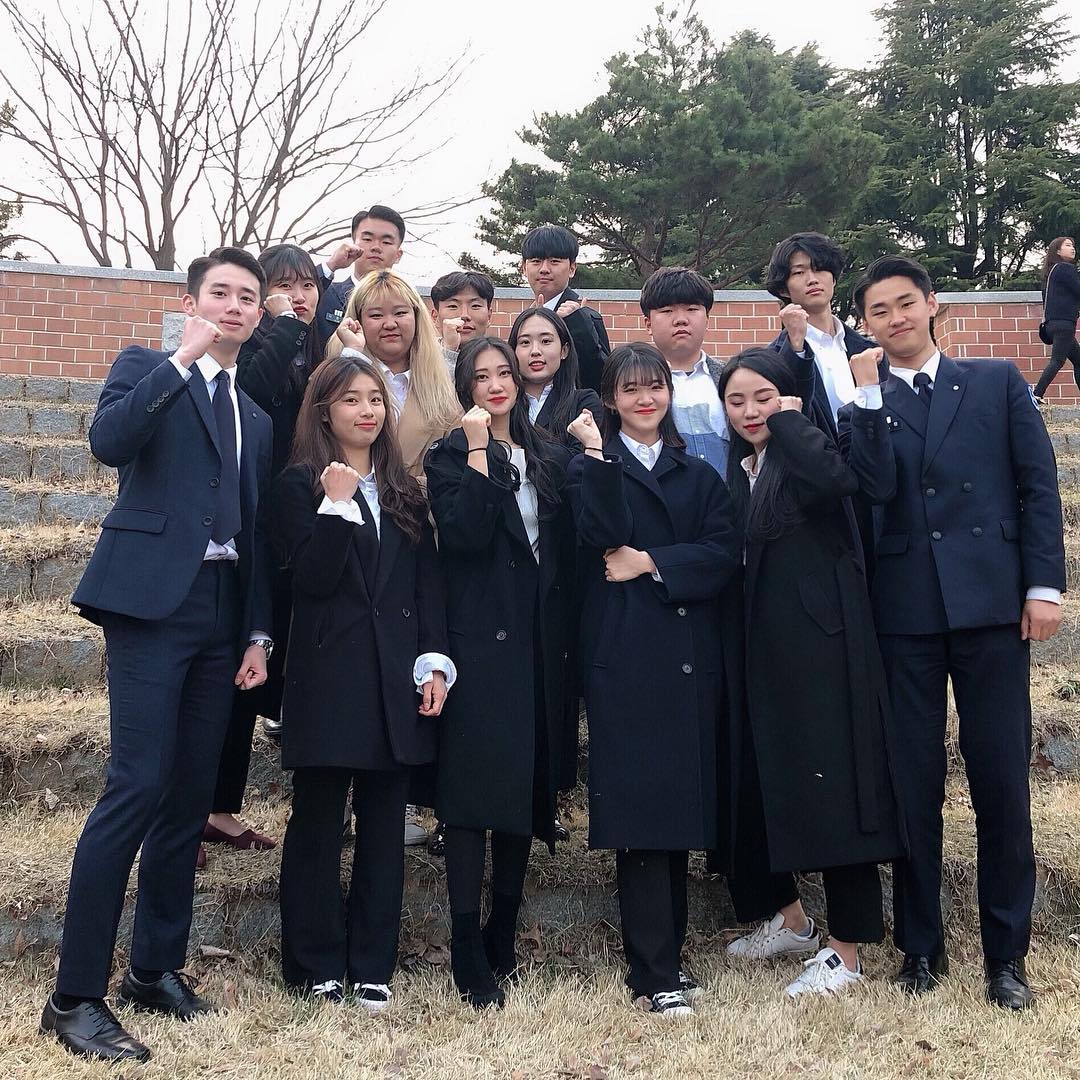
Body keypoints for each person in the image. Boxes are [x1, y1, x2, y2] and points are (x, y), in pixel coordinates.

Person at [39, 247, 275, 1063]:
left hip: (222, 611)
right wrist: (182, 359)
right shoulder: (147, 367)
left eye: (248, 298)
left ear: (260, 314)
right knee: (136, 787)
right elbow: (110, 443)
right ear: (191, 302)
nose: (235, 306)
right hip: (148, 605)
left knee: (188, 798)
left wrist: (257, 632)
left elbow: (255, 529)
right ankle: (74, 998)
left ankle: (153, 969)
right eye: (221, 293)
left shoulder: (256, 415)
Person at [841, 255, 1067, 1009]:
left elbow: (1037, 486)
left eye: (905, 303)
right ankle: (921, 948)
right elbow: (872, 489)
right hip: (902, 612)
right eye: (879, 311)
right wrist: (865, 398)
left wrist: (1043, 586)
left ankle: (1007, 956)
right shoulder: (862, 397)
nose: (896, 319)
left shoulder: (997, 381)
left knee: (1001, 780)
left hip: (991, 605)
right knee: (913, 785)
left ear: (932, 303)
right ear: (864, 324)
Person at [718, 347, 905, 998]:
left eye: (763, 397)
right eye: (736, 401)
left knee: (836, 795)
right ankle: (792, 921)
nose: (750, 412)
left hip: (824, 653)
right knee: (755, 785)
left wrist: (791, 420)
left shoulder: (805, 451)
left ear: (791, 399)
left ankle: (845, 953)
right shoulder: (741, 469)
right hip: (762, 655)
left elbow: (842, 481)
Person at [565, 343, 740, 1018]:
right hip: (622, 653)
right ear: (610, 399)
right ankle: (654, 970)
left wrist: (651, 562)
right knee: (641, 815)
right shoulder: (589, 467)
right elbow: (601, 532)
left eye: (655, 387)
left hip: (686, 652)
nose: (645, 399)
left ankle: (669, 959)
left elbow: (724, 552)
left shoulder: (698, 474)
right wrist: (598, 457)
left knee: (675, 812)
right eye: (630, 389)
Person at [273, 355, 453, 1009]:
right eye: (351, 399)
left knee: (383, 830)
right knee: (318, 825)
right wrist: (335, 504)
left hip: (393, 680)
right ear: (325, 412)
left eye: (375, 398)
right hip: (328, 677)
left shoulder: (404, 488)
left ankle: (373, 963)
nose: (367, 410)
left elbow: (425, 587)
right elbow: (311, 581)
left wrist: (434, 662)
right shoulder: (299, 484)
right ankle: (315, 964)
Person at [424, 336, 576, 1008]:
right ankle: (465, 940)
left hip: (540, 638)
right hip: (478, 639)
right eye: (481, 376)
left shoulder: (549, 452)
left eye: (504, 373)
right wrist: (480, 449)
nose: (495, 384)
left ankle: (503, 931)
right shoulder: (449, 454)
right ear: (466, 388)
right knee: (469, 795)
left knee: (522, 789)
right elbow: (463, 534)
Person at [204, 243, 324, 861]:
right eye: (284, 285)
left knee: (260, 679)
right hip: (249, 530)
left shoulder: (322, 344)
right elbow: (251, 391)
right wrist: (281, 324)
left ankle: (219, 809)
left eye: (307, 285)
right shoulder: (249, 351)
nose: (297, 296)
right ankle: (190, 809)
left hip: (304, 525)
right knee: (226, 676)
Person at [329, 269, 461, 481]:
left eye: (400, 313)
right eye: (376, 315)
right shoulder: (333, 377)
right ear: (357, 321)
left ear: (416, 317)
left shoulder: (443, 385)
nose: (390, 324)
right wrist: (352, 355)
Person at [765, 232, 875, 441]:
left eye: (819, 269)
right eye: (799, 272)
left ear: (834, 278)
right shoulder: (774, 357)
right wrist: (796, 349)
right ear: (784, 288)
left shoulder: (868, 350)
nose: (812, 279)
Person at [640, 266, 729, 478]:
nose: (681, 319)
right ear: (648, 324)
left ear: (707, 319)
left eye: (691, 309)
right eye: (667, 311)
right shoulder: (634, 386)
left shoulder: (730, 378)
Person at [521, 224, 611, 394]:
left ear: (572, 268)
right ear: (524, 268)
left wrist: (578, 325)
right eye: (536, 261)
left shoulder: (586, 318)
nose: (544, 269)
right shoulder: (524, 320)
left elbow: (604, 380)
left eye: (554, 261)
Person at [315, 204, 406, 348]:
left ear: (398, 255)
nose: (376, 247)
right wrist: (331, 265)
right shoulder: (327, 295)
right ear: (353, 243)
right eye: (367, 239)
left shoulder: (407, 304)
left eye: (386, 242)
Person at [509, 305, 601, 445]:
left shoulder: (583, 403)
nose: (535, 351)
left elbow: (582, 456)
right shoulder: (504, 405)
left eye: (546, 341)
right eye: (525, 342)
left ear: (564, 350)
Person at [1033, 237, 1080, 403]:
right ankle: (1036, 394)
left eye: (1073, 246)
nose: (1073, 248)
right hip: (1064, 324)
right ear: (1058, 251)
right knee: (1058, 360)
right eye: (1068, 245)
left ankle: (1036, 394)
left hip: (1052, 325)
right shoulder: (1065, 268)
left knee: (1078, 360)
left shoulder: (1051, 273)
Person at [429, 270, 494, 368]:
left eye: (475, 306)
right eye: (453, 306)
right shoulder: (418, 358)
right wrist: (449, 351)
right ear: (435, 317)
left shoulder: (502, 359)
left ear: (489, 316)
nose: (464, 315)